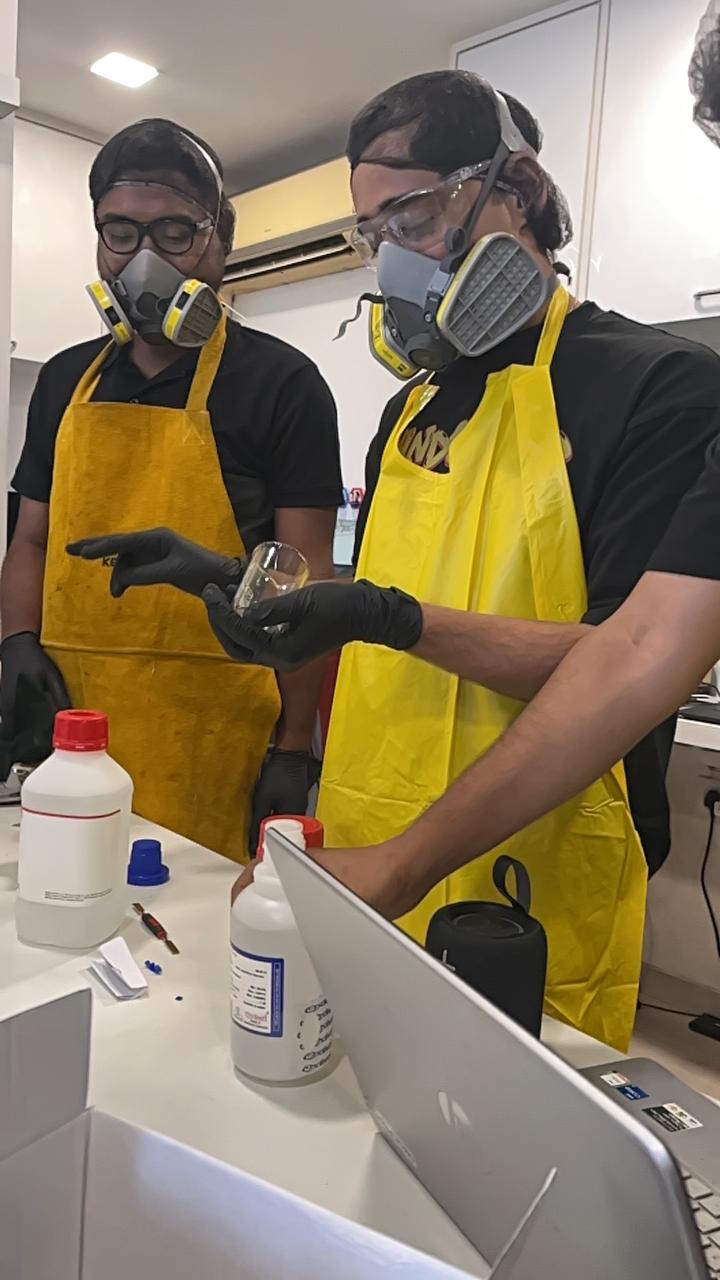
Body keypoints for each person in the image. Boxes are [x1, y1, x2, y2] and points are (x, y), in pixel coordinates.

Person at [69, 72, 720, 1052]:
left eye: (412, 212)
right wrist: (222, 573)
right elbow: (365, 608)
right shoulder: (412, 407)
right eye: (373, 234)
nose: (395, 258)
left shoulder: (657, 388)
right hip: (364, 841)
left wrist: (387, 618)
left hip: (527, 871)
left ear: (523, 188)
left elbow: (625, 661)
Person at [0, 118, 342, 861]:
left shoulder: (284, 384)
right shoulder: (64, 378)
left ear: (220, 237)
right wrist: (16, 644)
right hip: (73, 724)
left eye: (175, 232)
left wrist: (293, 745)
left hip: (213, 728)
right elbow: (29, 537)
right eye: (118, 232)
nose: (143, 257)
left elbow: (304, 572)